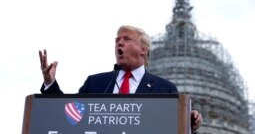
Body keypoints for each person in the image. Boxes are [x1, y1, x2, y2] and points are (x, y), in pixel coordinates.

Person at [39, 25, 202, 132]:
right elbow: (68, 115)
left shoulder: (165, 89)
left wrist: (189, 124)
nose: (119, 43)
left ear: (143, 50)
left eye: (126, 39)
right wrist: (49, 82)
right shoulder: (96, 83)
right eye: (117, 40)